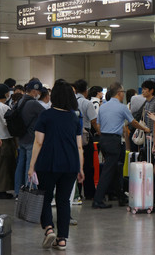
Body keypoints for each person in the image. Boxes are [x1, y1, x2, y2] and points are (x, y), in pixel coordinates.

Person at [27, 80, 84, 250]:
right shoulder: (74, 118)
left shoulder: (46, 115)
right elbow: (79, 145)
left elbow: (38, 143)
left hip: (48, 163)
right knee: (64, 200)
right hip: (70, 164)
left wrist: (31, 167)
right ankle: (62, 239)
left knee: (44, 198)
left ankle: (49, 228)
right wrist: (80, 167)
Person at [93, 82, 151, 209]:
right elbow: (133, 122)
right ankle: (97, 200)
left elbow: (98, 125)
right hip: (114, 141)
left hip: (103, 140)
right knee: (109, 171)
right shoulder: (122, 107)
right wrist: (145, 129)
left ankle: (120, 196)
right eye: (123, 92)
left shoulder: (103, 107)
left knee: (115, 169)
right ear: (119, 93)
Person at [14, 79, 45, 197]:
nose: (39, 94)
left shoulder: (21, 100)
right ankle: (29, 192)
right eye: (38, 92)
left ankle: (18, 191)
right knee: (30, 166)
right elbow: (46, 115)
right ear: (34, 91)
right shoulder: (33, 103)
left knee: (20, 166)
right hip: (31, 139)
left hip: (21, 138)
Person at [74, 79, 100, 200]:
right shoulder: (87, 103)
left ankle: (77, 193)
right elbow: (94, 120)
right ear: (86, 90)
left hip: (73, 136)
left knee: (75, 164)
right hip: (85, 136)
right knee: (88, 165)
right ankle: (89, 192)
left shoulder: (71, 101)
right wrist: (100, 132)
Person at [0, 84, 16, 199]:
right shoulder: (3, 107)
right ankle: (0, 191)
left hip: (0, 138)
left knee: (2, 165)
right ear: (6, 94)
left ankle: (1, 189)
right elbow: (8, 123)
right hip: (5, 139)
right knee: (4, 166)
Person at [141, 80, 155, 158]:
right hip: (147, 134)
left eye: (145, 89)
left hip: (153, 135)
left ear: (151, 90)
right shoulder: (147, 102)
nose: (142, 91)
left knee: (151, 157)